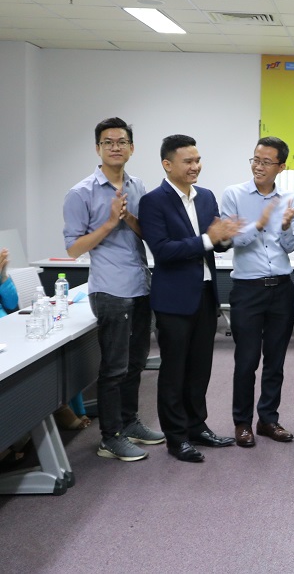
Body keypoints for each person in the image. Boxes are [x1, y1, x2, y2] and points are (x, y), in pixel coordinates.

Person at [62, 117, 162, 462]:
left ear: (132, 148)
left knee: (136, 364)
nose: (115, 147)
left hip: (140, 286)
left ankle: (130, 422)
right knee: (114, 367)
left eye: (121, 141)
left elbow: (147, 234)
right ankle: (110, 437)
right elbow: (73, 249)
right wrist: (108, 223)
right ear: (97, 149)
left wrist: (131, 219)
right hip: (109, 289)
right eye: (108, 142)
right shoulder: (81, 192)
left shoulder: (138, 187)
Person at [138, 134, 240, 462]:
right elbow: (164, 251)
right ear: (167, 165)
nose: (196, 166)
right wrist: (209, 239)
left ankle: (197, 426)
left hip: (205, 296)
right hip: (173, 301)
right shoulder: (154, 202)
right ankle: (176, 437)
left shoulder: (207, 197)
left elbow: (215, 243)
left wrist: (226, 238)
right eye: (188, 161)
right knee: (174, 372)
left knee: (200, 368)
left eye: (197, 160)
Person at [220, 137, 294, 448]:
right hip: (247, 289)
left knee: (276, 360)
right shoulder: (234, 195)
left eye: (266, 162)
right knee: (247, 360)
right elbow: (232, 240)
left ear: (281, 166)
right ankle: (242, 422)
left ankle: (268, 418)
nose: (258, 166)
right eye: (255, 159)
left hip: (281, 287)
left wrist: (285, 227)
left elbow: (291, 247)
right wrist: (261, 223)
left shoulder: (289, 197)